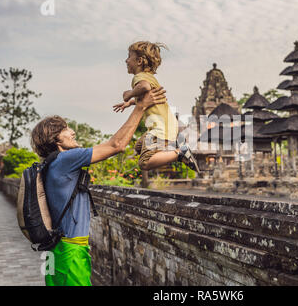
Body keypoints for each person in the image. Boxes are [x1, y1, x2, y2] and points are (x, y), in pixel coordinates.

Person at [30, 86, 166, 286]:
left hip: (54, 249)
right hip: (71, 251)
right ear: (55, 138)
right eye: (65, 129)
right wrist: (141, 108)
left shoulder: (50, 164)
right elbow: (116, 145)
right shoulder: (66, 159)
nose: (72, 131)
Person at [113, 41, 200, 173]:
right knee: (138, 147)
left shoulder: (139, 77)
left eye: (129, 57)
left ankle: (179, 153)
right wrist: (130, 103)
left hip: (160, 128)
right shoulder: (148, 77)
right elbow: (147, 95)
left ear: (139, 61)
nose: (126, 60)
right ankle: (170, 147)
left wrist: (128, 95)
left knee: (145, 162)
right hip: (165, 126)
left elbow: (144, 87)